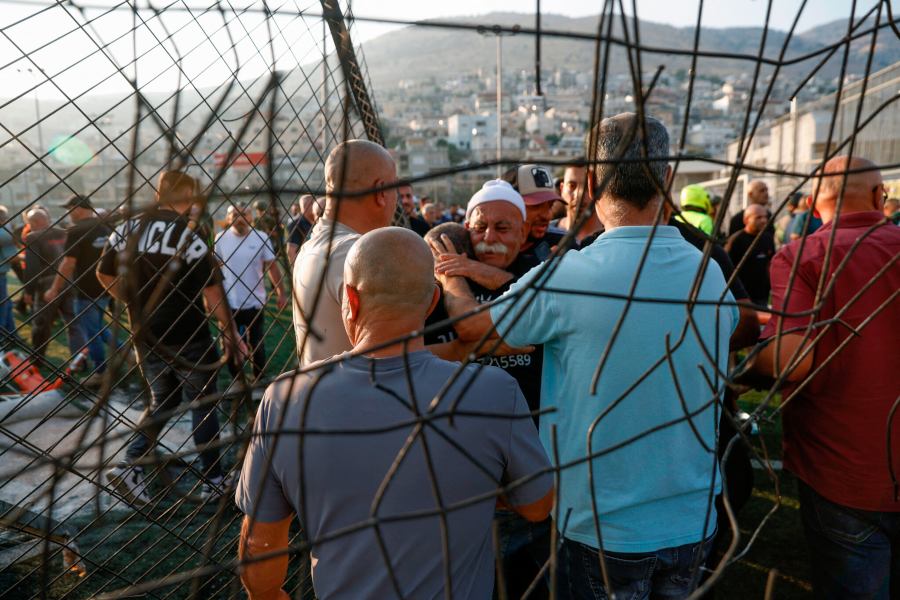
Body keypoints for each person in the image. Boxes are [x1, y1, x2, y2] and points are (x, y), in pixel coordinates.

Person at [439, 112, 736, 598]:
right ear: (667, 180)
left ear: (592, 183)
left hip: (602, 527)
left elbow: (472, 328)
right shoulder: (708, 273)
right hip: (694, 518)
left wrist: (449, 269)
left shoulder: (570, 276)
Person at [235, 227, 553, 600]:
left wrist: (269, 594)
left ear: (349, 300)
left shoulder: (285, 399)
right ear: (433, 301)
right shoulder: (494, 391)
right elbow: (537, 506)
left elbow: (261, 546)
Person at [748, 156, 900, 598]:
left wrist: (748, 366)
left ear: (814, 204)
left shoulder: (802, 255)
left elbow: (789, 361)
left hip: (840, 469)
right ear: (879, 197)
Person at [98, 170, 247, 506]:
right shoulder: (190, 232)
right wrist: (231, 331)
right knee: (203, 403)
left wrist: (133, 300)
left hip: (145, 334)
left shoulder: (126, 228)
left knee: (162, 400)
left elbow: (103, 273)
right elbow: (212, 288)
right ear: (189, 195)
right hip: (187, 332)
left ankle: (130, 464)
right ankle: (214, 480)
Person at [292, 140, 398, 366]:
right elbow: (395, 358)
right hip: (359, 398)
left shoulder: (314, 244)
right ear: (380, 192)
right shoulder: (357, 252)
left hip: (320, 394)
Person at [44, 195, 113, 387]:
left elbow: (68, 263)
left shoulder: (77, 230)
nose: (68, 213)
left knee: (91, 332)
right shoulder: (104, 227)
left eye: (68, 209)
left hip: (86, 290)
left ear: (77, 208)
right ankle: (129, 354)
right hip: (105, 287)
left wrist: (54, 289)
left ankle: (101, 372)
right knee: (98, 327)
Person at [215, 203, 287, 382]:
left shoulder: (261, 237)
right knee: (229, 344)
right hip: (228, 302)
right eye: (235, 215)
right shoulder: (220, 238)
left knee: (257, 343)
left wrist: (281, 293)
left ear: (251, 217)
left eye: (244, 214)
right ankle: (238, 381)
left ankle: (259, 378)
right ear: (229, 218)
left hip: (255, 302)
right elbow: (214, 269)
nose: (240, 219)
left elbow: (272, 266)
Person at [23, 207, 87, 362]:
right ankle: (80, 360)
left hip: (47, 284)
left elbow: (32, 267)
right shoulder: (64, 232)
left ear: (34, 222)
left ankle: (37, 359)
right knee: (74, 323)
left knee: (41, 324)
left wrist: (28, 291)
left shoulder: (33, 237)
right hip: (69, 280)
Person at [502, 164, 567, 262]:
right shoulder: (484, 244)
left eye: (550, 205)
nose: (547, 215)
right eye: (536, 206)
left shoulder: (564, 244)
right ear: (508, 205)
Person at [725, 204, 776, 306]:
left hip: (762, 296)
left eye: (765, 217)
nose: (764, 220)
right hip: (742, 298)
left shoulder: (768, 238)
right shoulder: (735, 241)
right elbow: (727, 269)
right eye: (758, 217)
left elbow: (771, 264)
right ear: (746, 220)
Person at [554, 164, 604, 246]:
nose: (578, 195)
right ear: (562, 189)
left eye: (587, 187)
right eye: (572, 186)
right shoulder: (545, 233)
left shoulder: (610, 236)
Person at [0, 206, 17, 338]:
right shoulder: (4, 233)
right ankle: (4, 338)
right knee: (2, 307)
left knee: (7, 304)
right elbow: (13, 257)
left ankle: (11, 334)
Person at [285, 194, 317, 265]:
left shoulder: (316, 222)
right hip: (304, 265)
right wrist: (297, 272)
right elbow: (291, 252)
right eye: (314, 204)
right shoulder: (296, 224)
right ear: (307, 206)